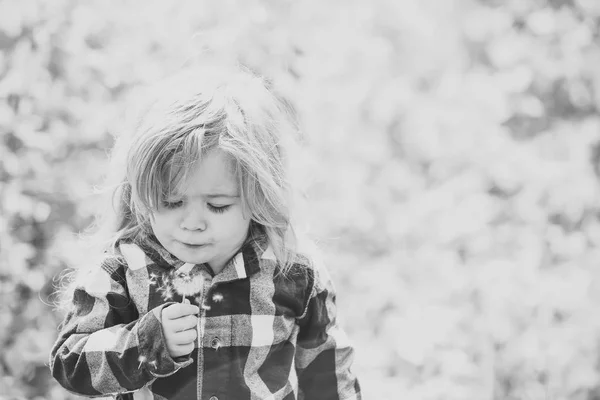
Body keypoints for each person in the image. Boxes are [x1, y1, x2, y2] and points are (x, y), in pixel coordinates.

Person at [49, 63, 362, 400]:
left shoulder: (293, 270)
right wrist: (149, 342)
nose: (193, 223)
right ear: (141, 194)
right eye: (171, 202)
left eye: (217, 206)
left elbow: (327, 372)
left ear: (259, 195)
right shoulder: (123, 270)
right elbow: (70, 362)